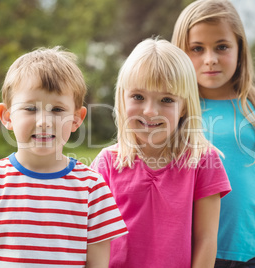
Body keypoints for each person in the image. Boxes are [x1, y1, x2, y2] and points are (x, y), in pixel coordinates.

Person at [0, 47, 128, 268]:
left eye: (58, 110)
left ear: (76, 119)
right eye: (30, 108)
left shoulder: (92, 188)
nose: (44, 121)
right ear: (7, 116)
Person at [171, 0, 255, 267]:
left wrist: (244, 234)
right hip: (183, 251)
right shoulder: (172, 113)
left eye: (222, 47)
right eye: (197, 49)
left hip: (243, 256)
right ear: (180, 52)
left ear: (240, 49)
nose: (210, 59)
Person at [90, 37, 231, 268]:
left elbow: (206, 239)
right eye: (138, 97)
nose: (150, 110)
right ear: (123, 99)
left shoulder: (203, 161)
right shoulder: (106, 163)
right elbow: (93, 238)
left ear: (184, 106)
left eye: (166, 99)